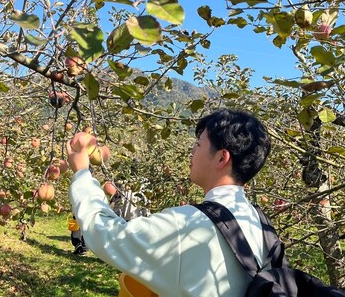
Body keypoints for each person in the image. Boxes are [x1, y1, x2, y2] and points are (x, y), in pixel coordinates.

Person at [68, 108, 271, 296]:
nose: (192, 151)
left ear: (221, 158)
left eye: (199, 144)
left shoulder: (186, 225)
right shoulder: (259, 222)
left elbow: (106, 234)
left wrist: (82, 173)